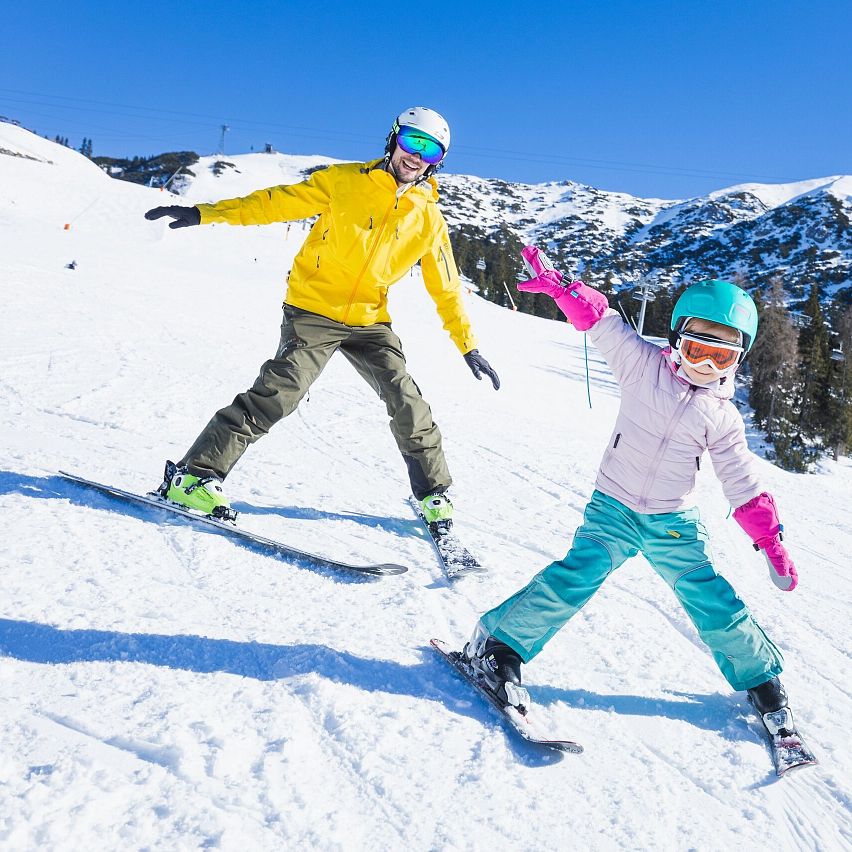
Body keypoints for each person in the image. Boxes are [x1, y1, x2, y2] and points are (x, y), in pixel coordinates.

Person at [463, 245, 800, 737]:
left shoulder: (723, 418)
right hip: (613, 508)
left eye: (720, 355)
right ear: (676, 339)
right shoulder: (643, 366)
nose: (705, 364)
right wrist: (563, 288)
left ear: (738, 359)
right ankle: (499, 646)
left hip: (672, 521)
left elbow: (741, 481)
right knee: (576, 576)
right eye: (696, 349)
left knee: (711, 599)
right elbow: (602, 322)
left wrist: (769, 540)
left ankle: (762, 680)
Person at [143, 107, 499, 523]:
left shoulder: (429, 219)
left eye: (431, 150)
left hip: (370, 322)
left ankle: (433, 495)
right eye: (411, 141)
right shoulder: (343, 182)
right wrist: (206, 213)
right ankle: (192, 477)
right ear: (393, 139)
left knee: (408, 402)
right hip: (312, 308)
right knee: (282, 390)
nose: (417, 155)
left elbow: (448, 288)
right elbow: (273, 204)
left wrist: (468, 346)